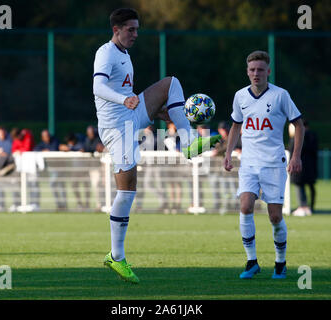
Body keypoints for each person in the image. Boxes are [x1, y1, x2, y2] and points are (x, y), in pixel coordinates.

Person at [94, 8, 221, 283]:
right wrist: (122, 100)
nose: (136, 34)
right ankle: (116, 257)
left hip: (131, 114)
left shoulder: (125, 55)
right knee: (127, 189)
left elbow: (128, 94)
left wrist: (161, 113)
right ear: (116, 29)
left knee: (171, 83)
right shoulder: (105, 52)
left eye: (137, 29)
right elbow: (98, 88)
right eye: (131, 29)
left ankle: (188, 142)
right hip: (117, 128)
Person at [224, 50, 305, 280]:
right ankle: (252, 262)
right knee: (246, 206)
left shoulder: (281, 95)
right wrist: (228, 154)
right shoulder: (240, 96)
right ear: (247, 72)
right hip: (249, 163)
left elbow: (298, 125)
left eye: (260, 69)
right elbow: (235, 126)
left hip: (273, 164)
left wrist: (296, 156)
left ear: (268, 71)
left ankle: (280, 263)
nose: (256, 73)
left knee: (275, 216)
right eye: (252, 70)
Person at [289, 120, 318, 216]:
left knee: (299, 186)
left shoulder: (297, 138)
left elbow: (292, 150)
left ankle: (303, 206)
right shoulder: (313, 136)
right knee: (311, 187)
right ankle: (310, 207)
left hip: (299, 167)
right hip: (311, 167)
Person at [34, 129, 67, 211]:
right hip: (52, 169)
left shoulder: (55, 141)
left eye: (48, 136)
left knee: (59, 185)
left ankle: (64, 205)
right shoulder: (42, 144)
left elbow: (55, 149)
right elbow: (36, 149)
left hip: (59, 168)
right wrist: (43, 151)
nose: (47, 138)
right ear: (42, 137)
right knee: (55, 185)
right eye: (45, 136)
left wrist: (48, 151)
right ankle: (60, 204)